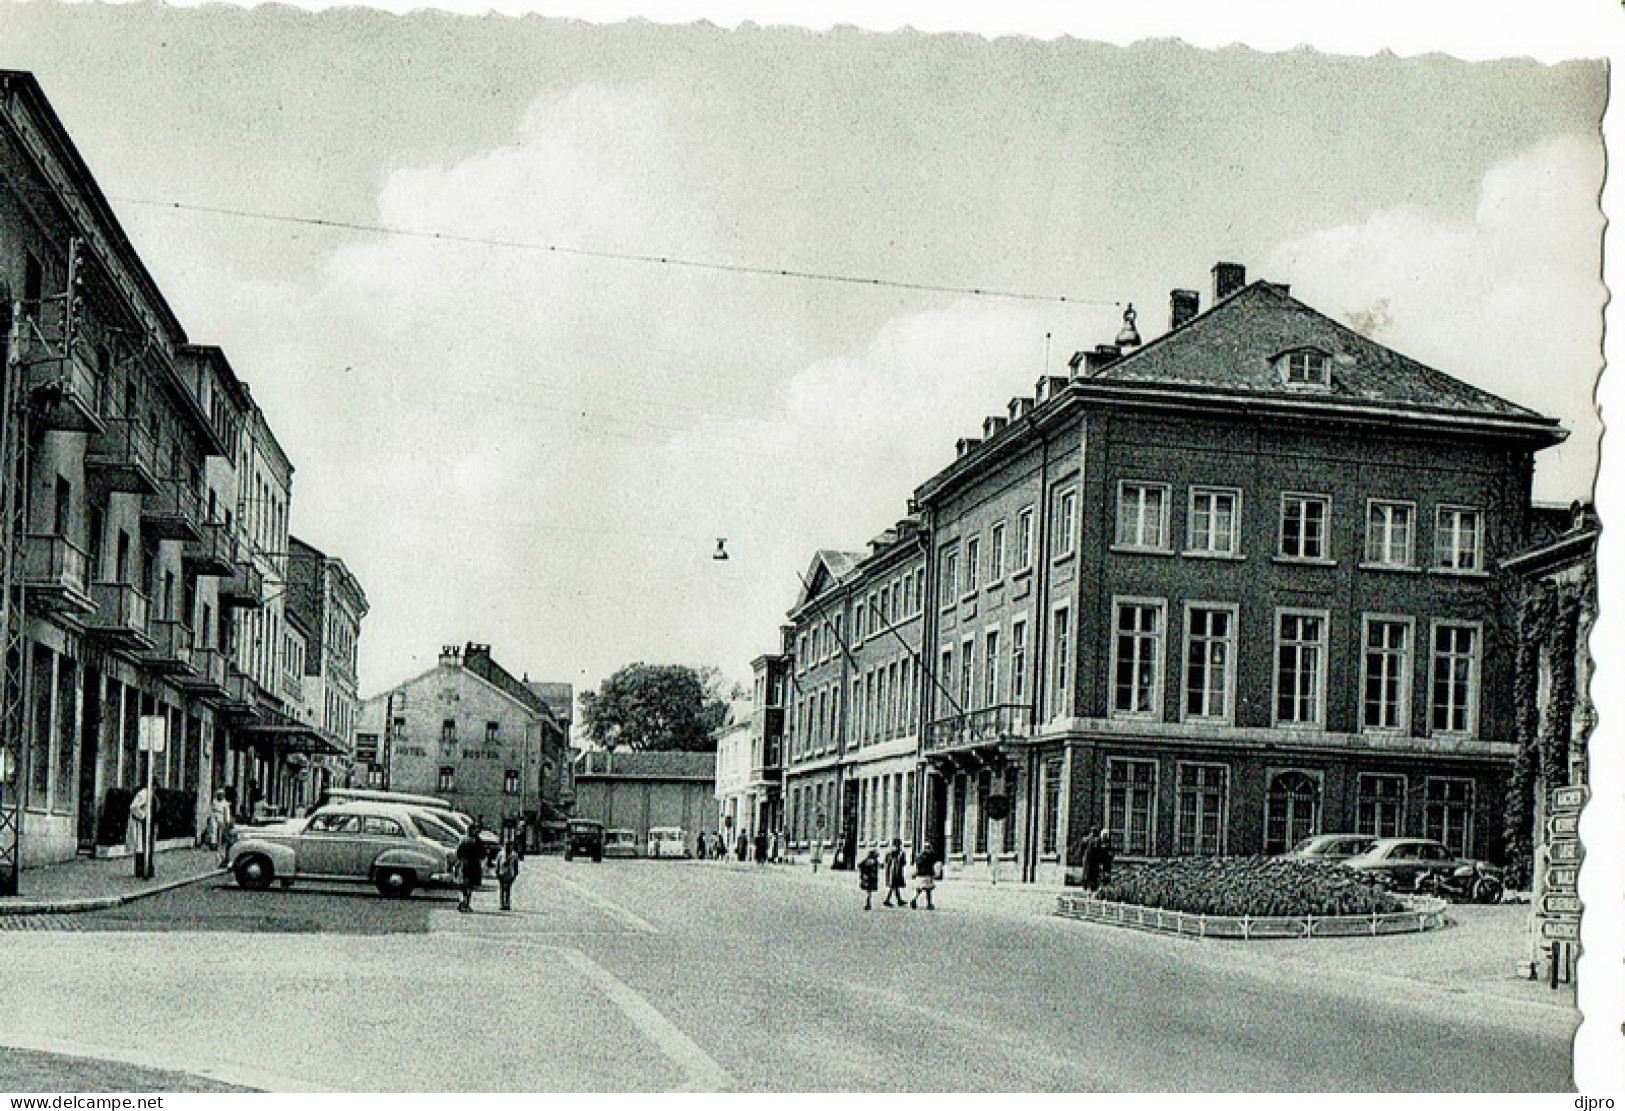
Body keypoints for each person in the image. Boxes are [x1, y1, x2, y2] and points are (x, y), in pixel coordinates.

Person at [456, 823, 485, 913]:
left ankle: (463, 902)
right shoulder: (477, 841)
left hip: (464, 864)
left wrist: (461, 861)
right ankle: (466, 903)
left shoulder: (463, 840)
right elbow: (482, 854)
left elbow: (458, 853)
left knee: (463, 885)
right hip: (474, 865)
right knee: (470, 886)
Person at [126, 785, 152, 879]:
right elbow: (134, 807)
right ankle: (140, 871)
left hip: (146, 825)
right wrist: (143, 816)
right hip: (139, 824)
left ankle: (146, 870)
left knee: (144, 847)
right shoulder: (143, 794)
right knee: (140, 847)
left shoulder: (149, 794)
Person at [910, 840, 940, 910]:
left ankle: (914, 899)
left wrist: (915, 873)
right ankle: (929, 904)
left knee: (919, 889)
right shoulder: (929, 856)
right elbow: (934, 862)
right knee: (928, 890)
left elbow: (916, 865)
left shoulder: (919, 856)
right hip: (927, 874)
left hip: (919, 874)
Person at [209, 788, 234, 866]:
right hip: (214, 816)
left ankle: (219, 843)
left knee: (220, 831)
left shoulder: (225, 803)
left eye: (221, 795)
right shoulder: (214, 801)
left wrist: (227, 821)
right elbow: (212, 809)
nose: (220, 796)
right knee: (213, 829)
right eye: (219, 795)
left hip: (221, 816)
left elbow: (227, 813)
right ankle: (213, 843)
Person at [494, 840, 520, 912]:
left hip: (510, 874)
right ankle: (502, 904)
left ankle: (507, 904)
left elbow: (516, 865)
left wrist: (515, 874)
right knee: (502, 889)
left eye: (510, 846)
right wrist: (497, 872)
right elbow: (497, 863)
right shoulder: (500, 854)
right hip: (502, 873)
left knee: (508, 889)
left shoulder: (514, 855)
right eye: (506, 846)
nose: (508, 847)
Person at [882, 838, 909, 907]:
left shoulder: (889, 852)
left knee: (895, 886)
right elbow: (903, 862)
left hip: (890, 870)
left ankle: (899, 900)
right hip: (896, 871)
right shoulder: (900, 853)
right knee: (893, 885)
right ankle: (887, 900)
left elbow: (885, 861)